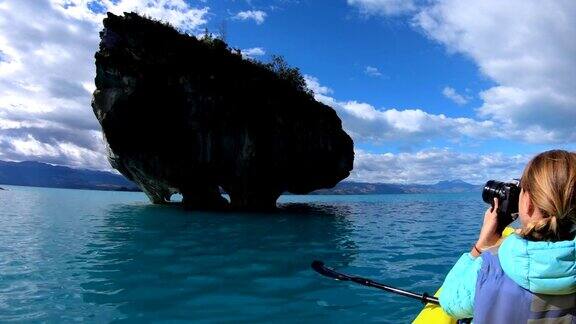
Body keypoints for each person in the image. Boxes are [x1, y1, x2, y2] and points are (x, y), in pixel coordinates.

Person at [439, 150, 576, 323]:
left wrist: (480, 246)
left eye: (521, 190)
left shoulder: (489, 267)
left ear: (528, 204)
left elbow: (449, 303)